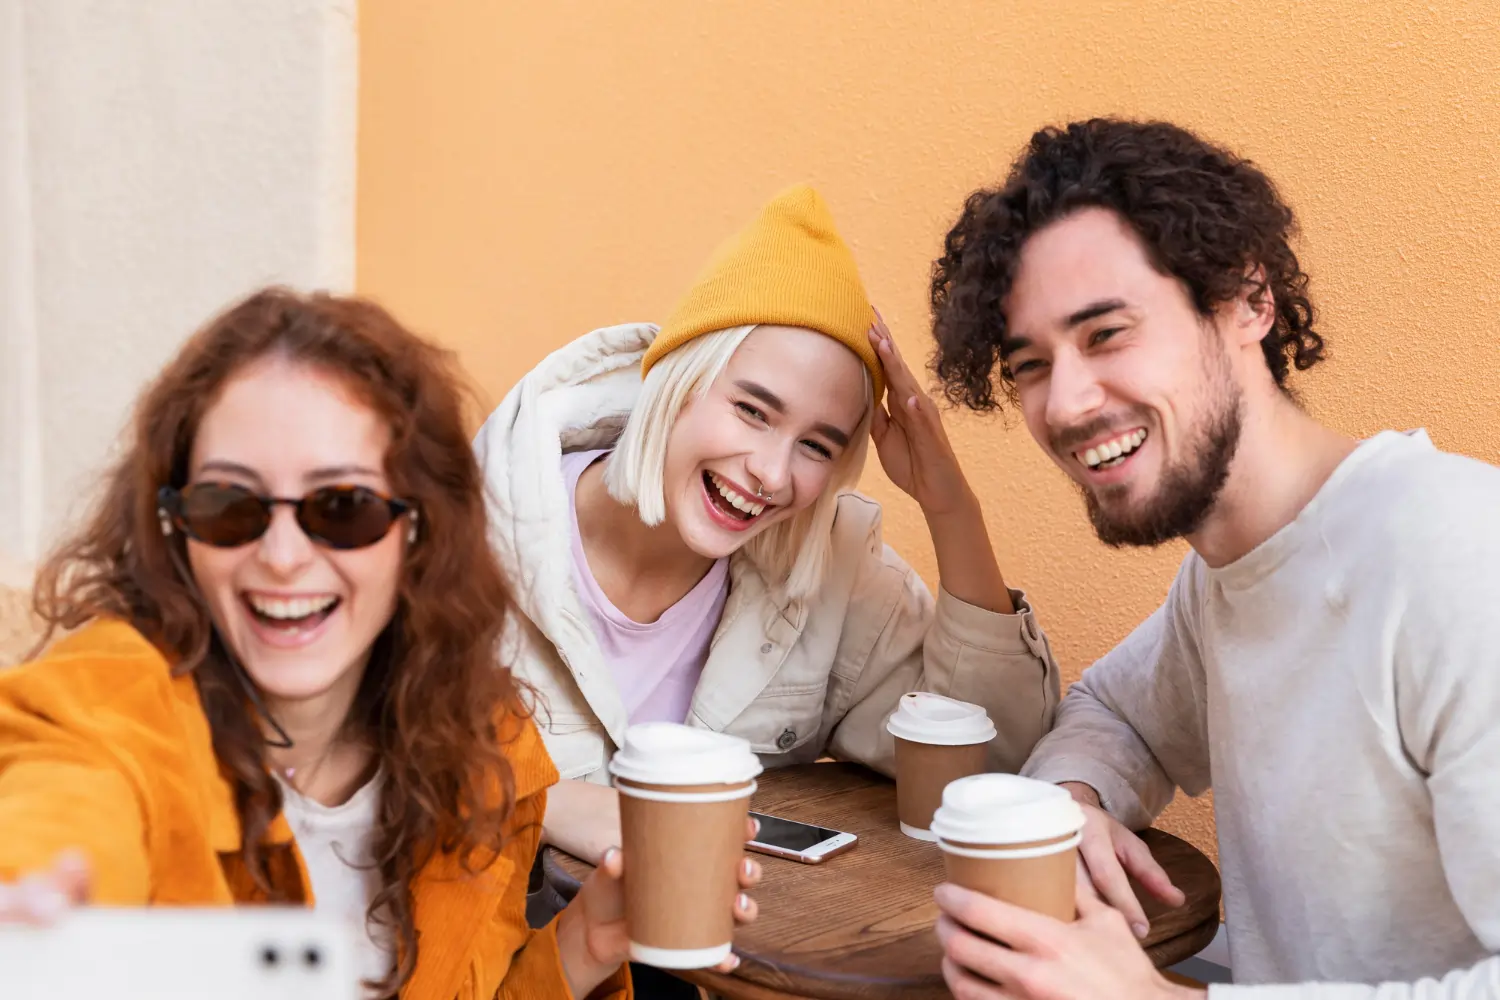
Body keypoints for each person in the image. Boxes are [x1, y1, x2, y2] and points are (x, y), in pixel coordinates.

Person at [0, 289, 758, 999]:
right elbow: (57, 809)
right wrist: (43, 906)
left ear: (417, 530)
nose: (284, 554)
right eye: (230, 505)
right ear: (176, 531)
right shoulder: (103, 703)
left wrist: (585, 945)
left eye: (343, 507)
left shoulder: (485, 750)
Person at [925, 118, 1500, 998]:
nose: (1069, 401)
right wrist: (1071, 801)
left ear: (1247, 304)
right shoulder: (1226, 577)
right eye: (1032, 363)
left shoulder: (1452, 553)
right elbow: (1112, 715)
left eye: (1107, 332)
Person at [474, 185, 1060, 867]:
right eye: (753, 411)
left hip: (709, 967)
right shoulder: (465, 532)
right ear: (677, 380)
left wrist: (950, 508)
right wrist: (549, 802)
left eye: (817, 445)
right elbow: (348, 755)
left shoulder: (831, 571)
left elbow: (998, 758)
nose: (773, 474)